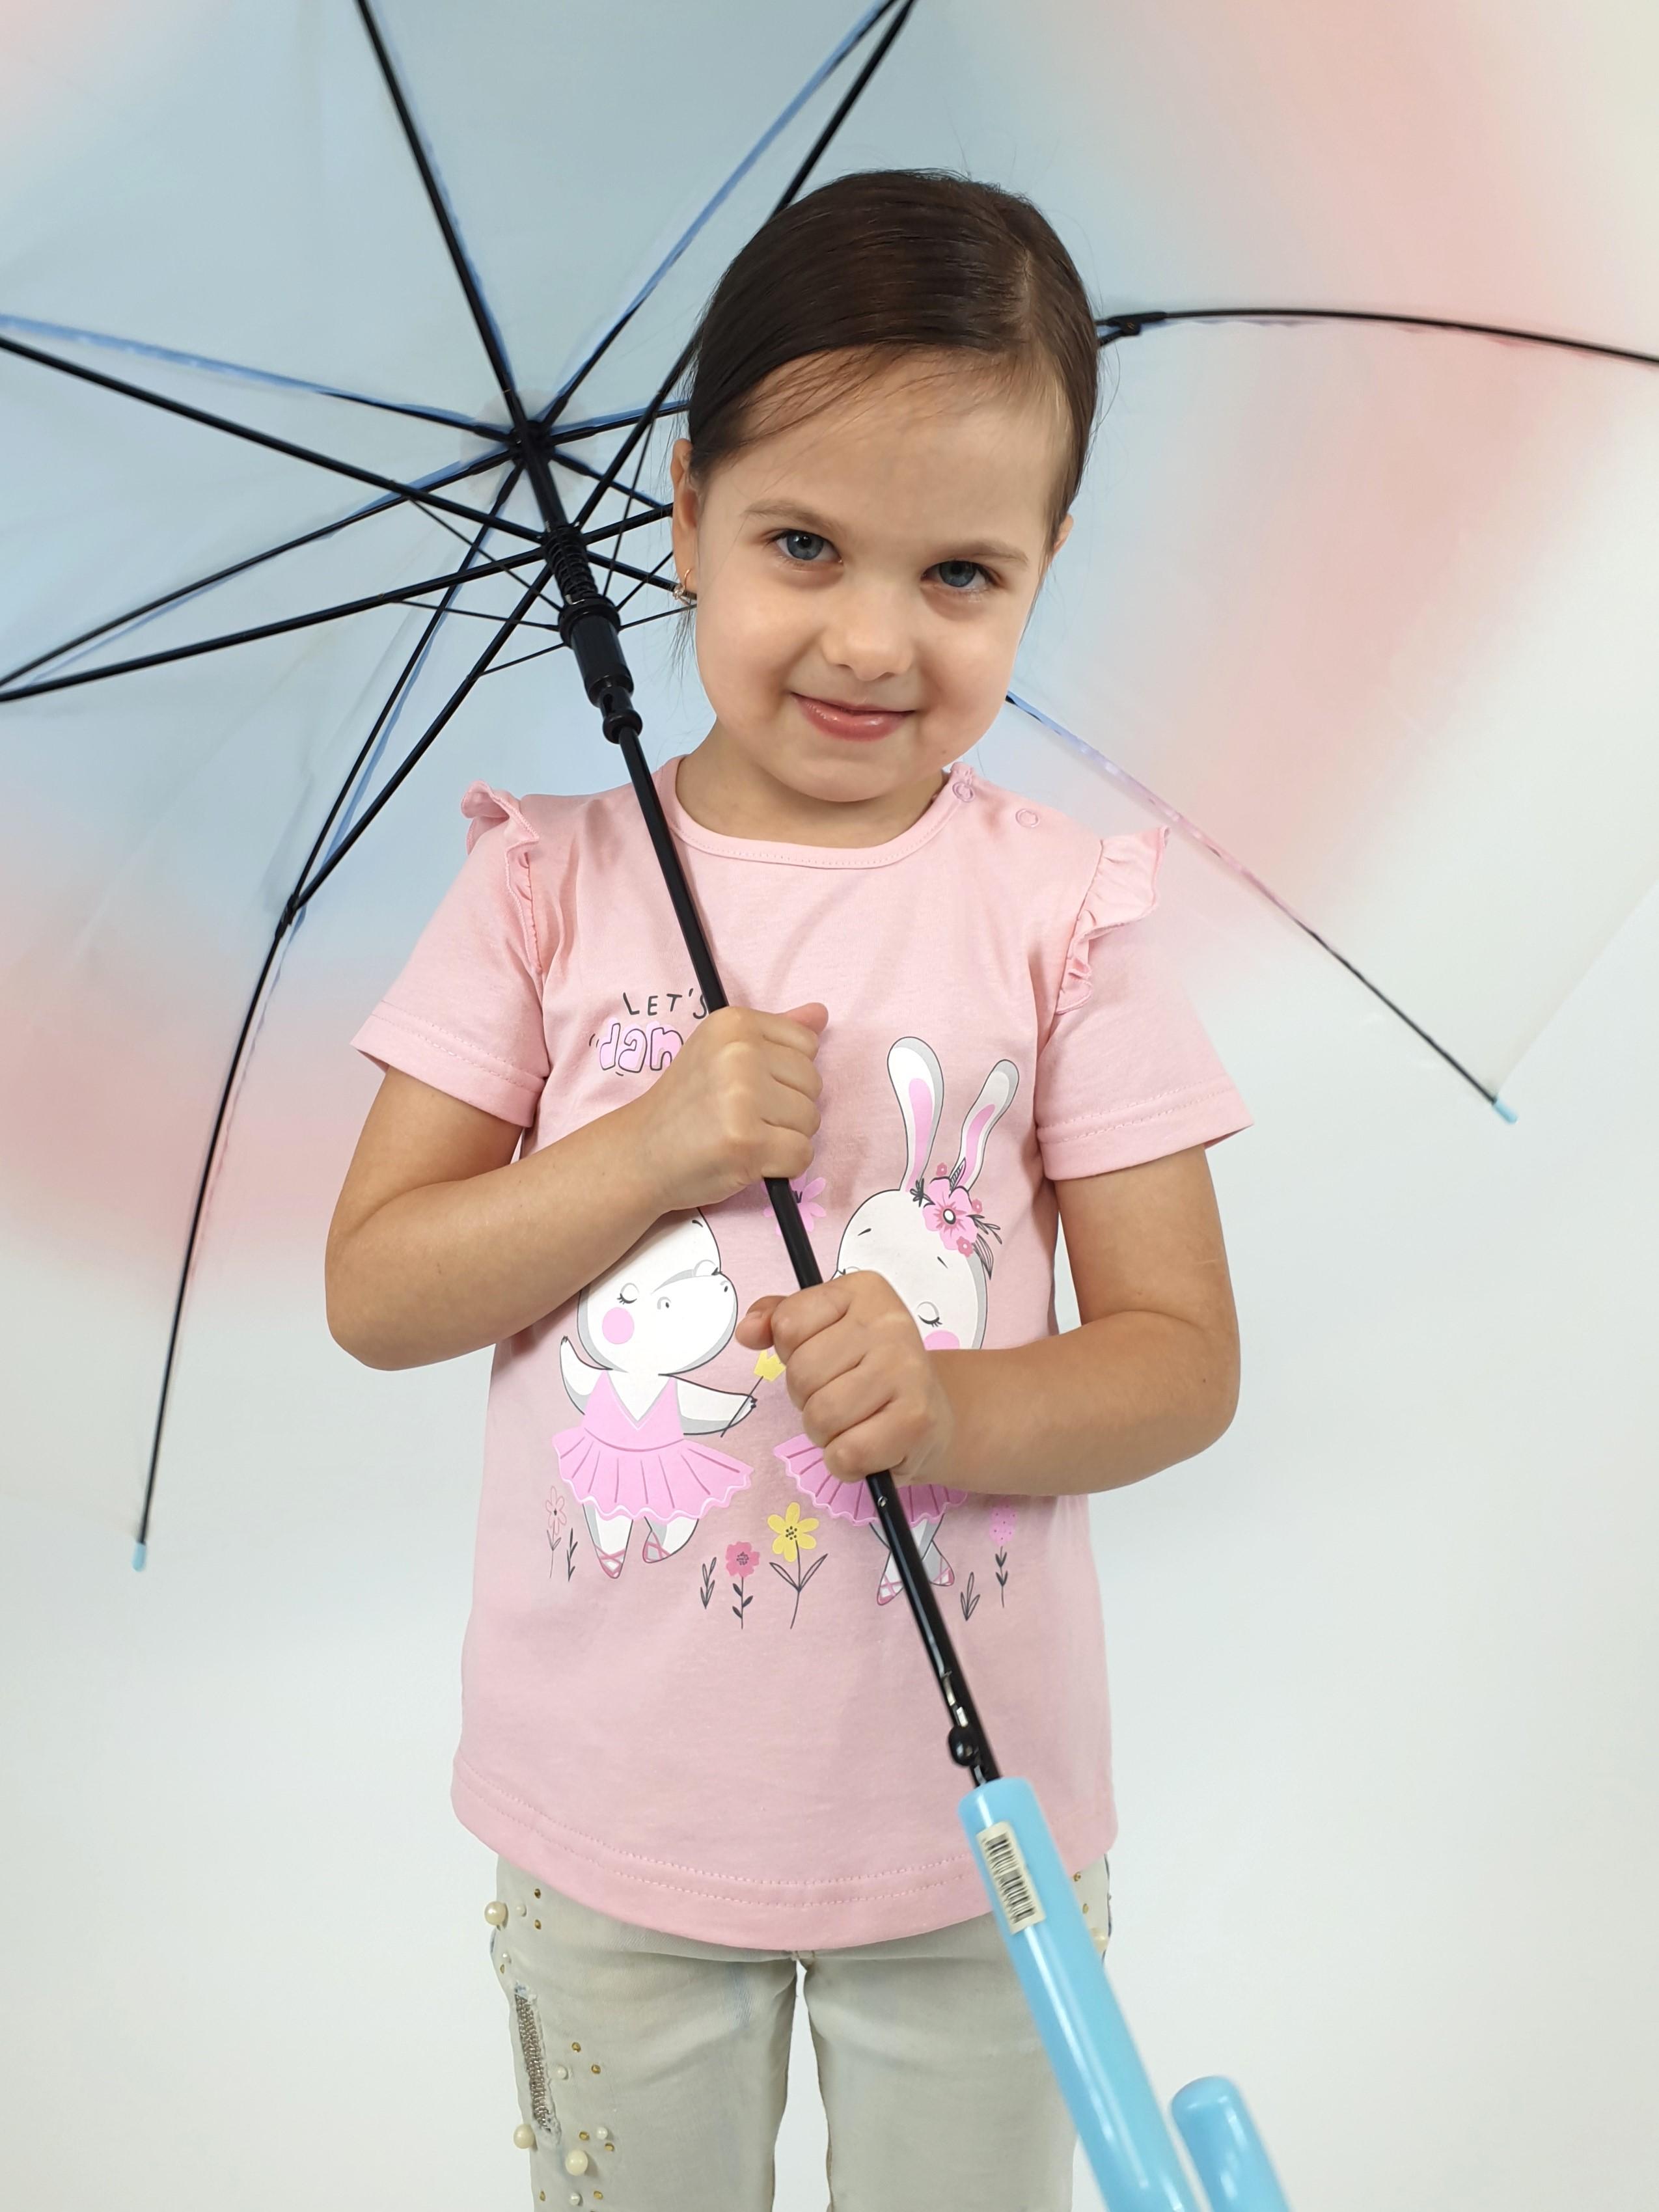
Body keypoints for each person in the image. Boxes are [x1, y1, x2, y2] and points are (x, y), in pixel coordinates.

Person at [325, 167, 1252, 2212]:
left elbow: (1184, 1360)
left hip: (975, 1839)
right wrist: (648, 1148)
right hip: (613, 1824)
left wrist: (953, 1404)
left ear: (1045, 566)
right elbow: (379, 1288)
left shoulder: (1061, 918)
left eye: (961, 573)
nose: (869, 638)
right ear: (683, 513)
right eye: (802, 543)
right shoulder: (545, 889)